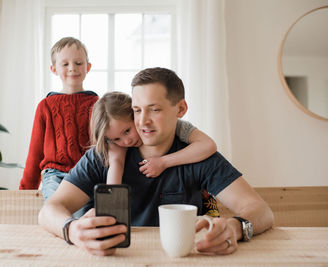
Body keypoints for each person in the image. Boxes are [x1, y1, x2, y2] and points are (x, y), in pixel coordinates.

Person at [38, 67, 274, 256]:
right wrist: (72, 230)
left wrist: (234, 228)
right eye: (137, 110)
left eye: (154, 110)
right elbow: (50, 210)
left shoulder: (198, 156)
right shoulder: (104, 155)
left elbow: (261, 211)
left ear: (180, 109)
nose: (143, 121)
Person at [90, 91, 219, 217]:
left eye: (127, 131)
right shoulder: (116, 145)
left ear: (136, 116)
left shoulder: (172, 125)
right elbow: (116, 168)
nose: (126, 141)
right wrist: (112, 209)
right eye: (117, 139)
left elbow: (208, 145)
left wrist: (163, 162)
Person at [19, 37, 98, 201]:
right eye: (65, 64)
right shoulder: (46, 106)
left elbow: (105, 147)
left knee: (84, 210)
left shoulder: (97, 104)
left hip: (86, 172)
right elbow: (35, 152)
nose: (72, 68)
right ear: (54, 69)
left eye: (78, 63)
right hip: (54, 174)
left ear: (88, 67)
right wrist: (25, 191)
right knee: (57, 207)